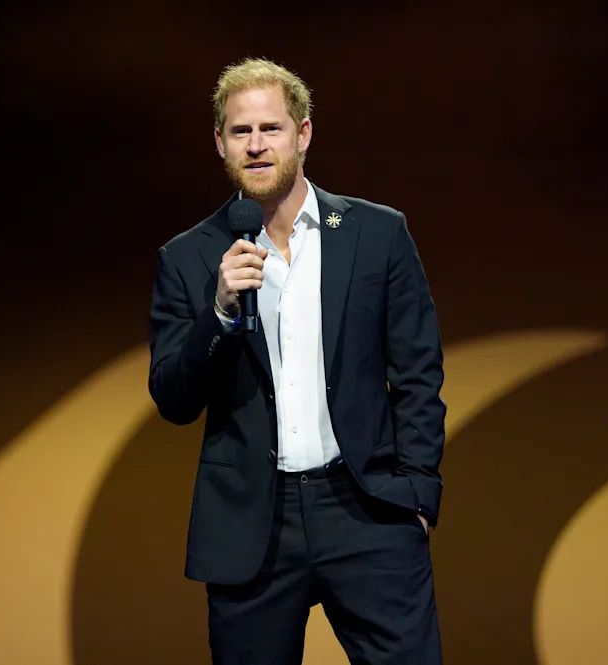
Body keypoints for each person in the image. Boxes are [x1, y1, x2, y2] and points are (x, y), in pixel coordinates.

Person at [148, 57, 446, 665]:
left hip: (366, 508)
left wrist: (415, 494)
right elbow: (173, 399)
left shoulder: (375, 233)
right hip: (252, 524)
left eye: (272, 128)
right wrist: (221, 312)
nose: (257, 145)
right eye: (241, 132)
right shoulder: (189, 258)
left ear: (303, 134)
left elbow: (418, 371)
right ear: (220, 144)